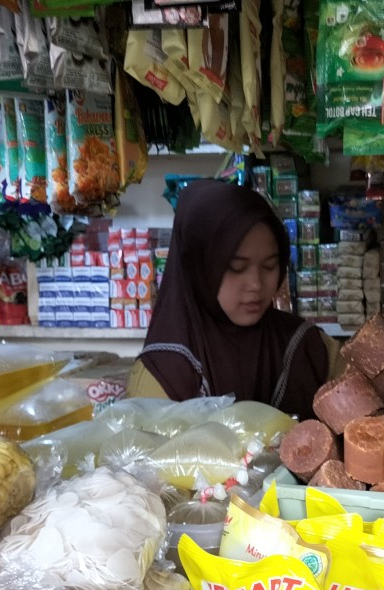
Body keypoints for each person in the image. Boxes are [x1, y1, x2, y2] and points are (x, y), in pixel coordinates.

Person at [127, 180, 343, 420]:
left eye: (270, 266)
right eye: (236, 267)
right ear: (198, 268)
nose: (256, 284)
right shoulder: (163, 374)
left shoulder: (309, 348)